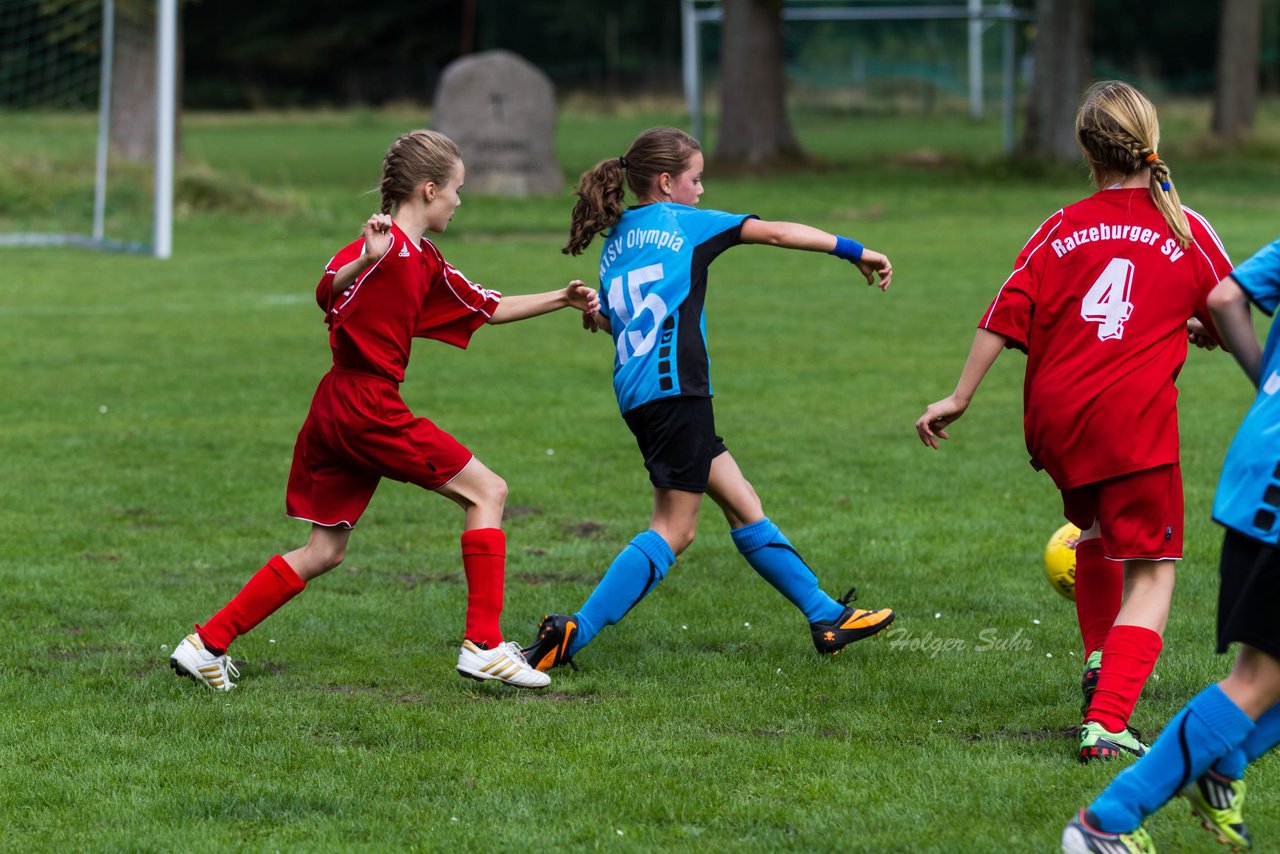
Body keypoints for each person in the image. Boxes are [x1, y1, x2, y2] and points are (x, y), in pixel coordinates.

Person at [169, 129, 598, 692]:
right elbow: (328, 291)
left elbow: (485, 307)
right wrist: (364, 261)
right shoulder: (383, 245)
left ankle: (206, 645)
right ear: (427, 190)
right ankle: (485, 646)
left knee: (325, 549)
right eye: (456, 190)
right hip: (362, 404)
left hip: (341, 406)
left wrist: (560, 300)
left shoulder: (424, 258)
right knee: (487, 491)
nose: (459, 201)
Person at [914, 81, 1233, 763]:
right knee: (1153, 569)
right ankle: (1109, 721)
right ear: (1151, 140)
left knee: (1094, 530)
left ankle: (1098, 658)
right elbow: (1227, 304)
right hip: (1131, 423)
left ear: (1086, 150)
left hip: (1057, 423)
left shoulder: (1059, 225)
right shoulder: (1183, 224)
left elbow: (1006, 310)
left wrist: (959, 397)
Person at [521, 126, 896, 673]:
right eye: (696, 178)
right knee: (676, 528)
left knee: (742, 502)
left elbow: (614, 321)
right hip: (678, 389)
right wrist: (856, 251)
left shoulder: (618, 238)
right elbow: (778, 234)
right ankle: (570, 635)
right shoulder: (687, 224)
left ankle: (826, 616)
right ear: (668, 183)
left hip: (642, 393)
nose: (702, 189)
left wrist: (597, 316)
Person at [1061, 242, 1280, 853]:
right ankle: (1106, 822)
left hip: (1258, 462)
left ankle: (1219, 764)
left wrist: (1271, 388)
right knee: (1257, 679)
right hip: (1278, 493)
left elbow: (1226, 296)